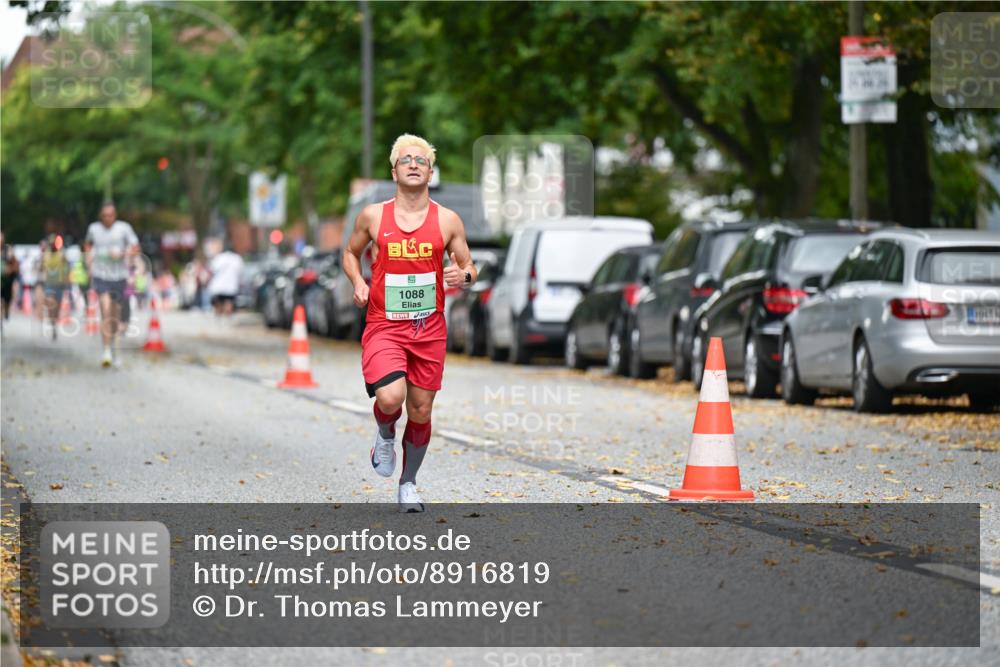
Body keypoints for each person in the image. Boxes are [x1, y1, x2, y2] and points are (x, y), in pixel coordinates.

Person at [343, 134, 478, 513]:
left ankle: (408, 484)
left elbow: (469, 266)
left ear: (431, 172)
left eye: (421, 160)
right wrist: (358, 281)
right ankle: (385, 431)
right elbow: (350, 254)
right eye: (406, 159)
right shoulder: (373, 216)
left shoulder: (448, 220)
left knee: (420, 411)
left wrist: (463, 277)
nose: (414, 164)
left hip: (429, 330)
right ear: (394, 171)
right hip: (384, 325)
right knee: (390, 398)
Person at [84, 202, 140, 367]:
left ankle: (115, 348)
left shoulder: (124, 228)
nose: (108, 219)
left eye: (111, 215)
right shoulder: (93, 229)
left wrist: (123, 253)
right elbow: (88, 245)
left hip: (119, 276)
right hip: (101, 275)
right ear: (101, 217)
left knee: (115, 316)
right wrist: (89, 260)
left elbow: (135, 247)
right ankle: (106, 350)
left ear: (115, 215)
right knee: (105, 311)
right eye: (104, 216)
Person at [39, 234, 71, 340]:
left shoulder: (62, 254)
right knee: (50, 302)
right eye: (51, 243)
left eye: (54, 243)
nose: (53, 245)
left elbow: (67, 267)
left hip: (59, 284)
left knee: (57, 307)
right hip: (49, 283)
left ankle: (54, 324)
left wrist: (67, 278)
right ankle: (51, 320)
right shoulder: (45, 254)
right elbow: (41, 267)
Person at [208, 244, 244, 317]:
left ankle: (219, 317)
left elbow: (212, 270)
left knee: (218, 302)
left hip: (218, 286)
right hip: (231, 286)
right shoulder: (237, 258)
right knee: (229, 302)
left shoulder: (219, 257)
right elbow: (240, 272)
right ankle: (227, 318)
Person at [1, 232, 19, 322]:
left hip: (7, 280)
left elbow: (15, 264)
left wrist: (10, 270)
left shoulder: (8, 250)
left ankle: (7, 310)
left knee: (7, 299)